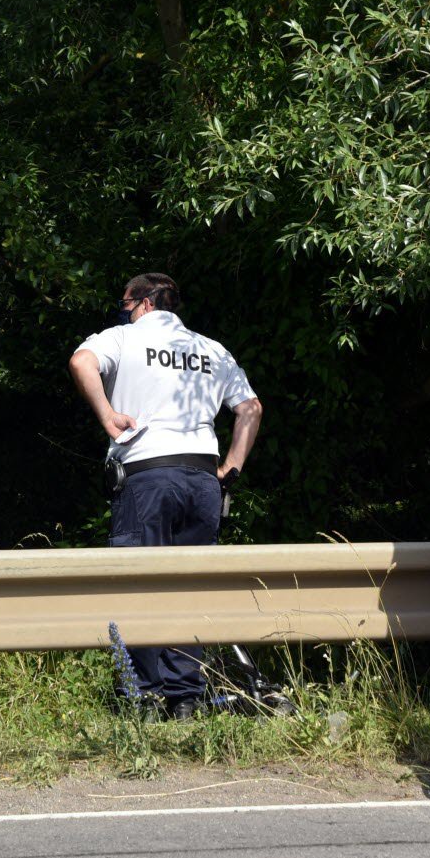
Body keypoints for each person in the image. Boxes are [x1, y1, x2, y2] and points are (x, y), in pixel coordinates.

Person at [69, 272, 263, 719]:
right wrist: (229, 470)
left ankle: (144, 699)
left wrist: (107, 416)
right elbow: (250, 408)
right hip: (202, 481)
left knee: (139, 585)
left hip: (148, 477)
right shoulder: (211, 349)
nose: (123, 311)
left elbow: (82, 362)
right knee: (189, 590)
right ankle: (186, 700)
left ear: (143, 303)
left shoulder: (123, 337)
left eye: (125, 304)